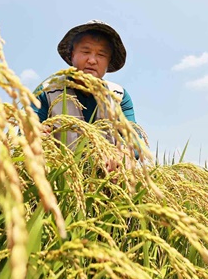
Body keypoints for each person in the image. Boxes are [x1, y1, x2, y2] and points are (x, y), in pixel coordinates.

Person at [31, 20, 143, 168]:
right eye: (85, 52)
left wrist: (123, 153)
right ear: (72, 55)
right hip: (60, 179)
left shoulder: (119, 96)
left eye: (101, 55)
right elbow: (25, 135)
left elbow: (135, 140)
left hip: (107, 181)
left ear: (108, 61)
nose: (92, 60)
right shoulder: (47, 91)